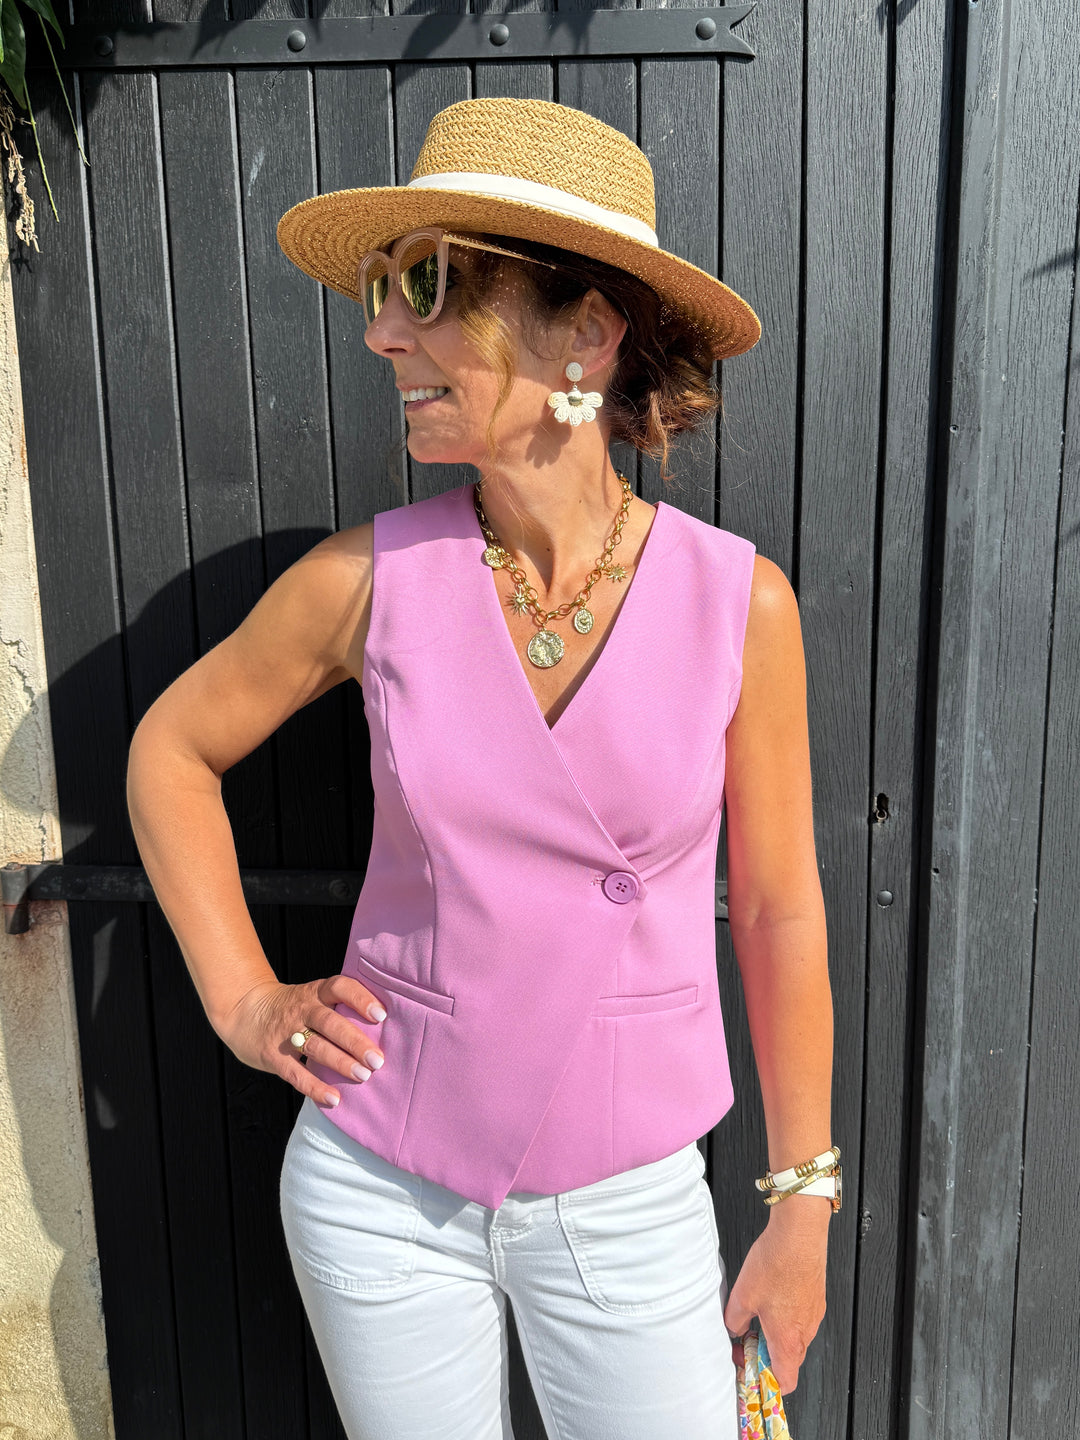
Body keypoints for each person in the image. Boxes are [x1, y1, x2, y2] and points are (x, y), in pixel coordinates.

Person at [127, 97, 835, 1440]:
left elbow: (778, 907)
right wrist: (244, 1001)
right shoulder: (368, 581)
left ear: (587, 332)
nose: (384, 332)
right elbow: (172, 749)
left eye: (432, 286)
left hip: (626, 1205)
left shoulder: (738, 605)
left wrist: (802, 1202)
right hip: (377, 1189)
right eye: (386, 290)